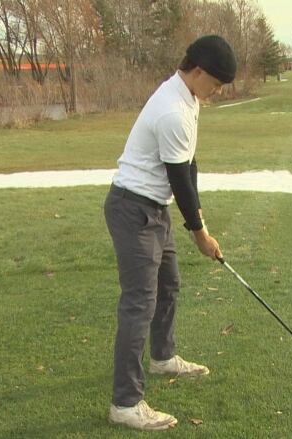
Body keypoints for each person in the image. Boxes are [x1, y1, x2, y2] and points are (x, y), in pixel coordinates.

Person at [103, 35, 236, 431]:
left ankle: (163, 357)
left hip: (154, 208)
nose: (214, 93)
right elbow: (180, 180)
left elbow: (189, 166)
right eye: (214, 84)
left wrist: (202, 223)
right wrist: (200, 236)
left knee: (170, 285)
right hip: (133, 210)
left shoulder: (189, 99)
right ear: (197, 71)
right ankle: (125, 404)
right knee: (139, 304)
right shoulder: (172, 110)